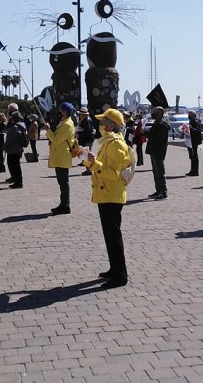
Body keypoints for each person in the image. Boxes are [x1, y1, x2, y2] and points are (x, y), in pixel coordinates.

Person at [84, 108, 132, 290]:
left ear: (112, 124)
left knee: (114, 236)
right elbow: (100, 166)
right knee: (109, 236)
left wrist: (94, 163)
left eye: (103, 121)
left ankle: (120, 275)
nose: (100, 124)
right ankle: (114, 268)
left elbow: (112, 174)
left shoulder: (116, 144)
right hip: (106, 193)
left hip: (112, 194)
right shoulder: (107, 142)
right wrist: (88, 160)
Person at [44, 102, 76, 214]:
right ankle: (64, 205)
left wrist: (48, 130)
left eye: (61, 110)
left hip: (62, 156)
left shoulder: (67, 124)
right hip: (60, 155)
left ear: (65, 112)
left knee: (63, 183)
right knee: (62, 183)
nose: (59, 112)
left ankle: (65, 206)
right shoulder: (64, 123)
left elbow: (57, 140)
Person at [145, 106, 170, 199]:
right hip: (154, 150)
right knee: (155, 172)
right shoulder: (157, 123)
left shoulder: (162, 124)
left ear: (159, 113)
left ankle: (163, 192)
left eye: (155, 111)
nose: (153, 113)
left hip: (158, 151)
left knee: (160, 172)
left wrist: (146, 133)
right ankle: (158, 190)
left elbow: (159, 139)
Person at [4, 113, 27, 189]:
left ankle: (18, 183)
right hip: (18, 149)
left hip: (13, 149)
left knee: (14, 167)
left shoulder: (15, 127)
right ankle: (17, 182)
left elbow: (10, 139)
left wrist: (4, 146)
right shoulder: (22, 125)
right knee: (16, 166)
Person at [184, 110, 202, 176]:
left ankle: (195, 171)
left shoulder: (195, 122)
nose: (188, 115)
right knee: (192, 156)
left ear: (193, 115)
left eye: (190, 114)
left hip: (194, 141)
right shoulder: (191, 121)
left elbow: (198, 131)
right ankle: (192, 170)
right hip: (191, 141)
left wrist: (191, 128)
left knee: (194, 156)